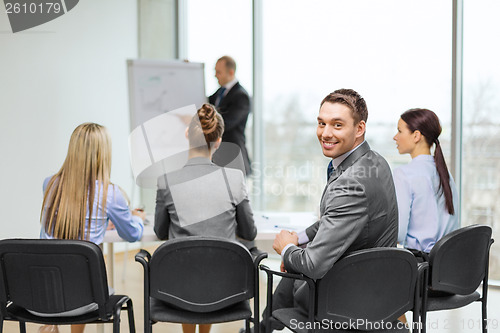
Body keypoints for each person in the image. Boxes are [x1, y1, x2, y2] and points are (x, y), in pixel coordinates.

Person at [265, 89, 398, 332]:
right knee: (293, 261)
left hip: (348, 298)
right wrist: (299, 239)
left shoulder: (350, 183)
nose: (325, 133)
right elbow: (334, 219)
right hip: (382, 285)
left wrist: (285, 249)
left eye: (337, 125)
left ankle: (261, 328)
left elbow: (314, 265)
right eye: (321, 123)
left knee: (287, 272)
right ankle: (263, 327)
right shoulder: (375, 161)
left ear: (359, 129)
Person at [154, 103, 257, 333]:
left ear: (187, 134)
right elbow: (249, 232)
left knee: (190, 269)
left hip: (177, 289)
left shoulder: (166, 181)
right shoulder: (234, 178)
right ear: (218, 142)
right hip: (225, 288)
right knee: (208, 269)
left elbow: (160, 232)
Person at [39, 123, 145, 333]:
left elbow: (65, 223)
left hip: (46, 290)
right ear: (103, 154)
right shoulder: (111, 194)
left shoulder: (49, 184)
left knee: (70, 271)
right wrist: (137, 218)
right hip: (87, 295)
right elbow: (133, 234)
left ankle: (53, 324)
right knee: (82, 279)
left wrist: (101, 221)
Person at [393, 108, 459, 254]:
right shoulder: (445, 174)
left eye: (400, 131)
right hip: (448, 263)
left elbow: (398, 233)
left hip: (420, 266)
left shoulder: (403, 174)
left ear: (416, 135)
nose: (395, 137)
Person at [208, 55, 252, 175]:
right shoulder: (218, 93)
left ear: (231, 72)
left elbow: (226, 123)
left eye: (218, 72)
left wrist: (204, 124)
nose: (215, 75)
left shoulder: (241, 96)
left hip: (233, 159)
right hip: (218, 160)